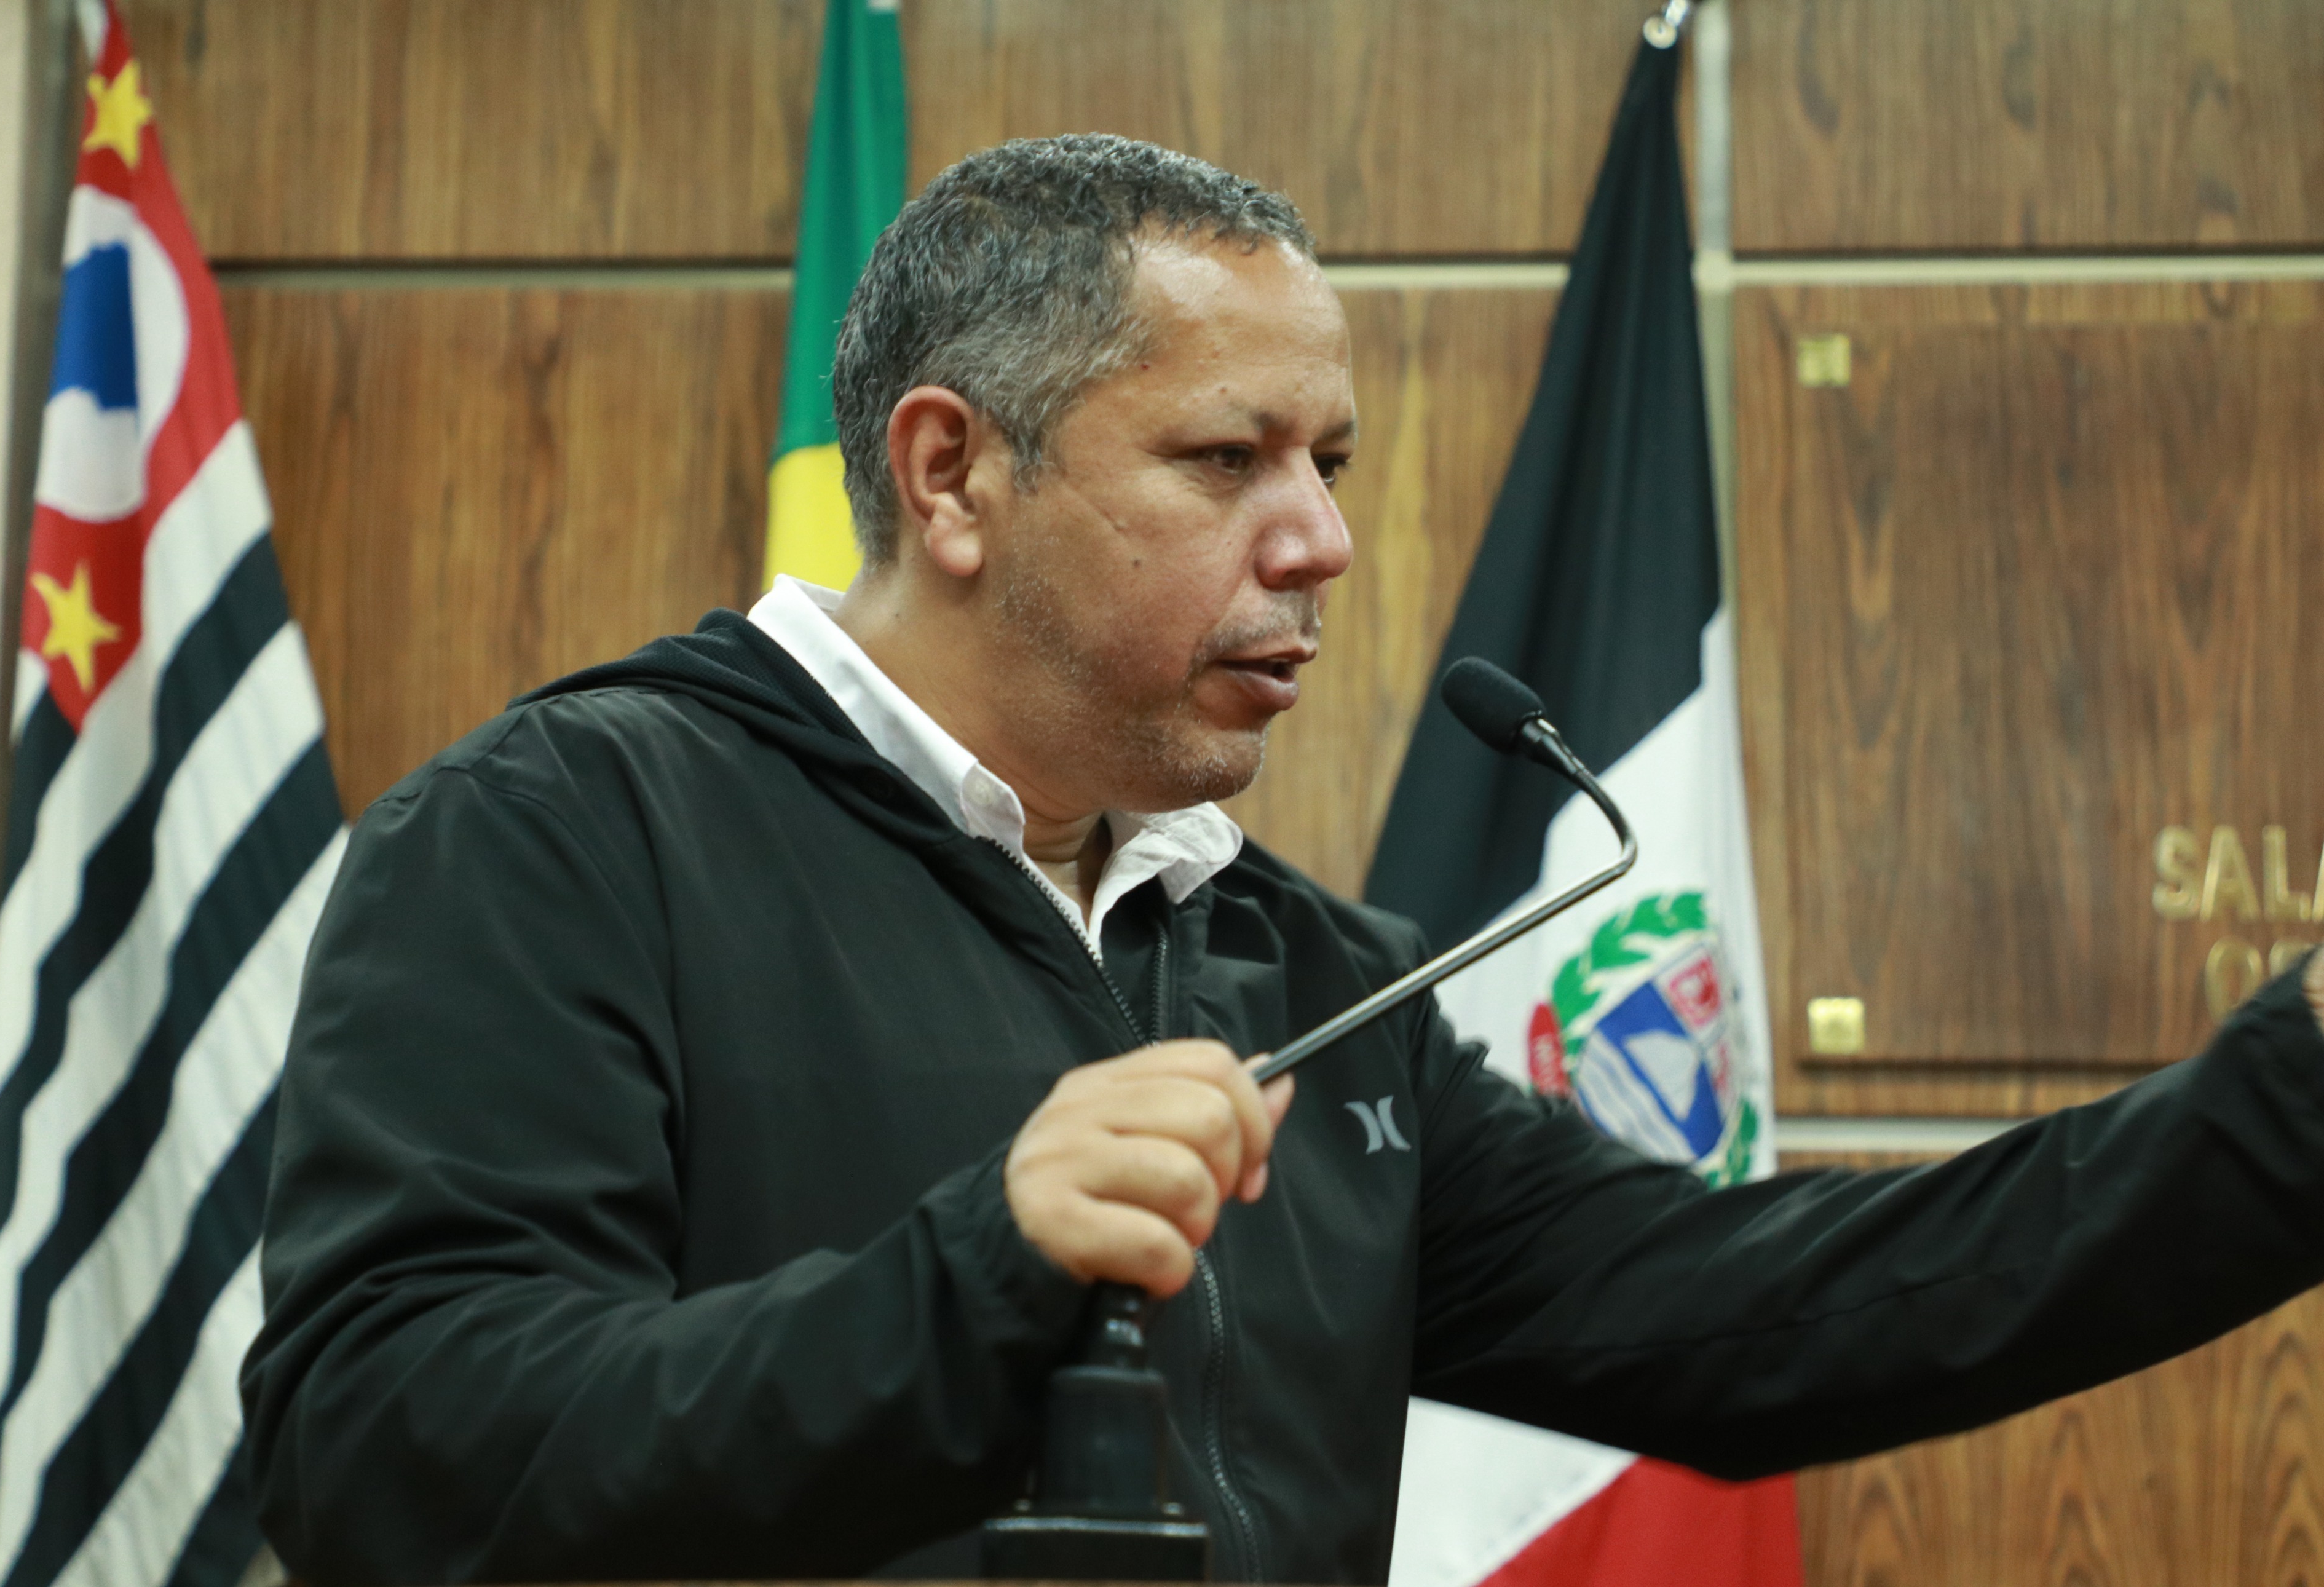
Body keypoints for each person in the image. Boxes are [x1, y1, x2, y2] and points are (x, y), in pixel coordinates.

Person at [240, 135, 2324, 1585]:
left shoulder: (1312, 972)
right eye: (1227, 459)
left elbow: (1774, 1317)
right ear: (951, 475)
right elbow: (387, 1452)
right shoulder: (564, 834)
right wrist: (976, 1274)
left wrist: (2294, 1093)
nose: (1322, 539)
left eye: (1326, 461)